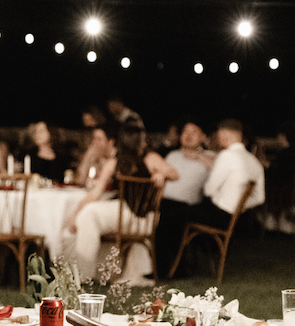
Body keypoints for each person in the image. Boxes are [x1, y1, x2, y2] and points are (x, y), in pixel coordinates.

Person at [61, 123, 168, 282]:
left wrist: (161, 173)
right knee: (88, 215)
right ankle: (86, 270)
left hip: (138, 218)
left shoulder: (145, 159)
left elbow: (94, 194)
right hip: (144, 218)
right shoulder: (146, 159)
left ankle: (82, 274)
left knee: (88, 214)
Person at [178, 120, 266, 267]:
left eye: (218, 135)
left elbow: (209, 190)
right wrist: (239, 206)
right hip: (235, 219)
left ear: (224, 135)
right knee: (180, 211)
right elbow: (260, 198)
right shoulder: (254, 162)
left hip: (217, 215)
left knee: (174, 213)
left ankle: (176, 264)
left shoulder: (226, 156)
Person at [153, 120, 214, 270]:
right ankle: (163, 266)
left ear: (202, 137)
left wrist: (198, 157)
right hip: (165, 203)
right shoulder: (173, 155)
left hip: (190, 207)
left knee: (169, 214)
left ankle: (171, 267)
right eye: (185, 131)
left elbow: (217, 171)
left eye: (194, 132)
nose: (188, 135)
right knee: (161, 211)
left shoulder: (210, 156)